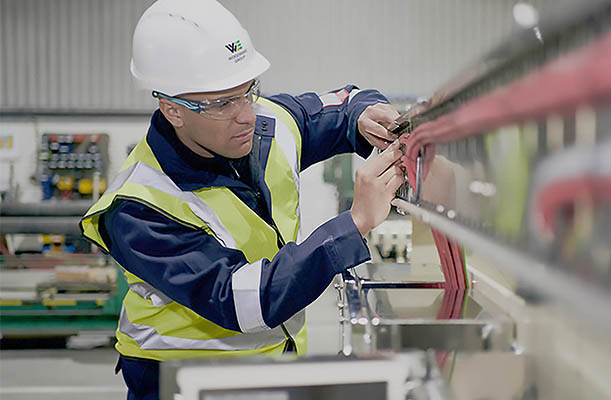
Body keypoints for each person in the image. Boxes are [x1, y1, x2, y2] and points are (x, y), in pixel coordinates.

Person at [79, 0, 404, 398]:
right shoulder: (139, 208)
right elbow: (241, 301)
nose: (246, 115)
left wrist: (364, 112)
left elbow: (336, 107)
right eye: (222, 103)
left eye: (248, 91)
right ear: (172, 110)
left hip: (269, 372)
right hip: (179, 384)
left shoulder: (268, 123)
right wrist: (352, 225)